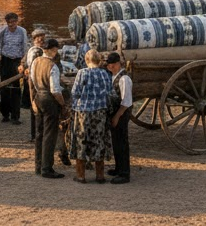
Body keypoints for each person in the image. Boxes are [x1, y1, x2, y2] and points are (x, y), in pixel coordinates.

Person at [68, 48, 113, 184]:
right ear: (99, 61)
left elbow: (75, 92)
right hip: (100, 111)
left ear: (86, 61)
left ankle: (81, 175)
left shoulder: (82, 73)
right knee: (99, 140)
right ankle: (100, 175)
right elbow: (110, 92)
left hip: (84, 112)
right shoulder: (105, 74)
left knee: (82, 140)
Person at [30, 37, 66, 178]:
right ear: (53, 50)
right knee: (50, 134)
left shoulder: (35, 62)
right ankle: (47, 168)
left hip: (38, 96)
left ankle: (38, 165)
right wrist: (62, 104)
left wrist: (33, 99)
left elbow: (32, 81)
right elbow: (55, 90)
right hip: (49, 99)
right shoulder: (53, 66)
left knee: (39, 133)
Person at [105, 51, 133, 184]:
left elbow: (126, 101)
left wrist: (117, 116)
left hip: (121, 114)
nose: (109, 68)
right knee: (116, 141)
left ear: (117, 64)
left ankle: (124, 173)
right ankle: (118, 168)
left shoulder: (124, 79)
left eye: (111, 65)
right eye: (108, 66)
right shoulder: (114, 76)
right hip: (116, 112)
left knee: (122, 142)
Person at [0, 12, 28, 124]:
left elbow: (25, 48)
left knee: (16, 88)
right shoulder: (3, 31)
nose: (11, 25)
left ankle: (15, 116)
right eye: (9, 23)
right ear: (7, 22)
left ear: (17, 21)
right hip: (5, 60)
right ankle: (5, 114)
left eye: (13, 22)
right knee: (4, 87)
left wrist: (23, 63)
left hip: (16, 61)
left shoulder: (22, 31)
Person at [23, 27, 46, 141]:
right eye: (38, 39)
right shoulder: (35, 51)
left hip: (35, 83)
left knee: (35, 108)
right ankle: (36, 134)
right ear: (34, 40)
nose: (41, 41)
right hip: (33, 83)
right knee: (35, 108)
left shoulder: (36, 50)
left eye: (42, 39)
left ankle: (36, 134)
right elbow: (28, 63)